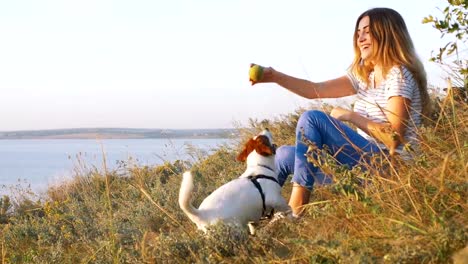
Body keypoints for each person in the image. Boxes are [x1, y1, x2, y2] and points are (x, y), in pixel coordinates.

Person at [250, 7, 431, 216]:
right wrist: (274, 76)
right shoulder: (365, 76)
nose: (360, 37)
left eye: (367, 31)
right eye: (358, 32)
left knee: (312, 119)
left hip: (389, 171)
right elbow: (314, 89)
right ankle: (259, 218)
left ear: (388, 33)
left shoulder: (399, 76)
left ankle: (295, 211)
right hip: (362, 166)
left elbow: (393, 138)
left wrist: (351, 116)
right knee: (283, 155)